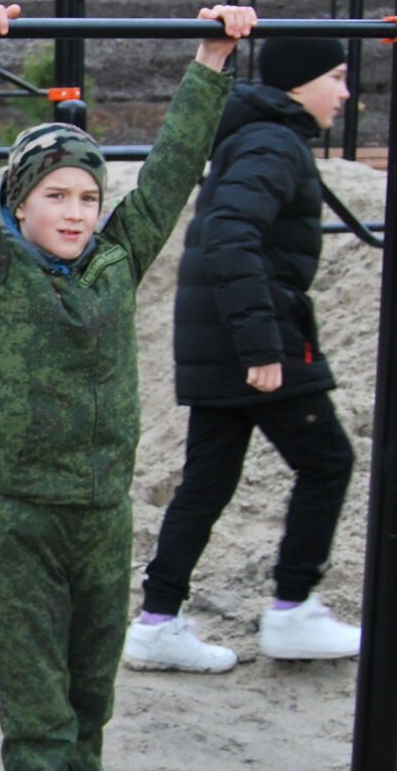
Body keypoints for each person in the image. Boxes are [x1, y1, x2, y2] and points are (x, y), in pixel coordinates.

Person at [0, 0, 255, 771]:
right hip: (20, 519)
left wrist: (212, 60)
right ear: (20, 205)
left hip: (102, 515)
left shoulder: (118, 258)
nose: (76, 212)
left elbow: (172, 173)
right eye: (56, 196)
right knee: (38, 700)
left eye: (86, 195)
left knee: (89, 693)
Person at [124, 39, 363, 673]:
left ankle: (157, 623)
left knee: (206, 484)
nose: (345, 93)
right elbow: (231, 235)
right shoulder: (272, 143)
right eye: (337, 77)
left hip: (219, 338)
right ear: (299, 83)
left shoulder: (256, 137)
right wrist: (262, 346)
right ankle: (293, 610)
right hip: (257, 338)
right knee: (328, 461)